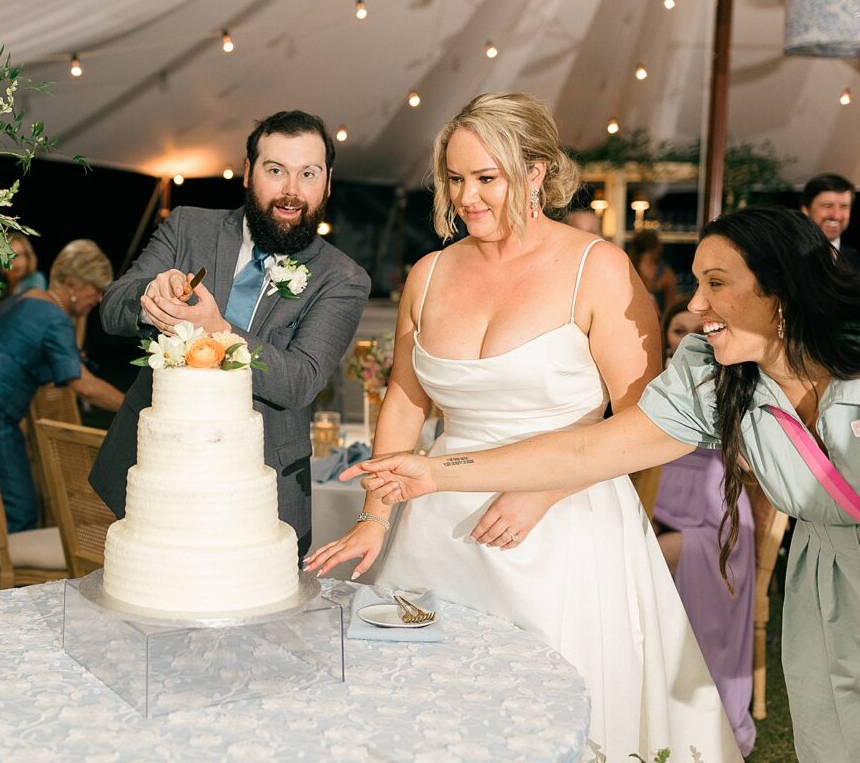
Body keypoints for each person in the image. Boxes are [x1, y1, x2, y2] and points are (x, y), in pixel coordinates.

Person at [339, 206, 860, 763]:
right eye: (697, 283)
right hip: (821, 582)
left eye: (716, 283)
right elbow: (590, 450)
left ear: (779, 290)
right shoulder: (713, 375)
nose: (694, 305)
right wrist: (436, 472)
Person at [305, 92, 739, 760]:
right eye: (454, 178)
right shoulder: (428, 273)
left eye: (486, 178)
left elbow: (644, 422)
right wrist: (374, 515)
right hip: (438, 522)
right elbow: (404, 401)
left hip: (561, 523)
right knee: (429, 709)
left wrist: (546, 488)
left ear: (536, 171)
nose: (466, 198)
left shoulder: (599, 270)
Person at [90, 110, 370, 556]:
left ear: (328, 183)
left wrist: (217, 330)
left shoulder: (343, 278)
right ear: (247, 172)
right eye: (275, 170)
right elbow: (111, 309)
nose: (291, 191)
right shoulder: (187, 227)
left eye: (308, 174)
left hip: (261, 497)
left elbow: (300, 380)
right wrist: (150, 297)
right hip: (152, 478)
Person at [0, 239, 125, 598]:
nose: (98, 300)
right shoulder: (53, 316)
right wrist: (132, 406)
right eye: (97, 291)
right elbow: (83, 386)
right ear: (75, 286)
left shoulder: (28, 299)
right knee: (10, 510)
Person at [652, 296, 757, 755]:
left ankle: (684, 707)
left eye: (698, 332)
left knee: (641, 559)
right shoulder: (649, 389)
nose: (687, 341)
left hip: (714, 522)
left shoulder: (737, 386)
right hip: (657, 505)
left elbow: (752, 464)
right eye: (677, 331)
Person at [801, 172, 860, 269]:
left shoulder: (856, 260)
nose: (836, 215)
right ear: (806, 210)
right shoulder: (785, 256)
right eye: (828, 206)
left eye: (844, 207)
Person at [630, 227, 678, 314]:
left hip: (657, 322)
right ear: (656, 248)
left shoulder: (665, 273)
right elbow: (671, 306)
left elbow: (670, 307)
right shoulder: (666, 274)